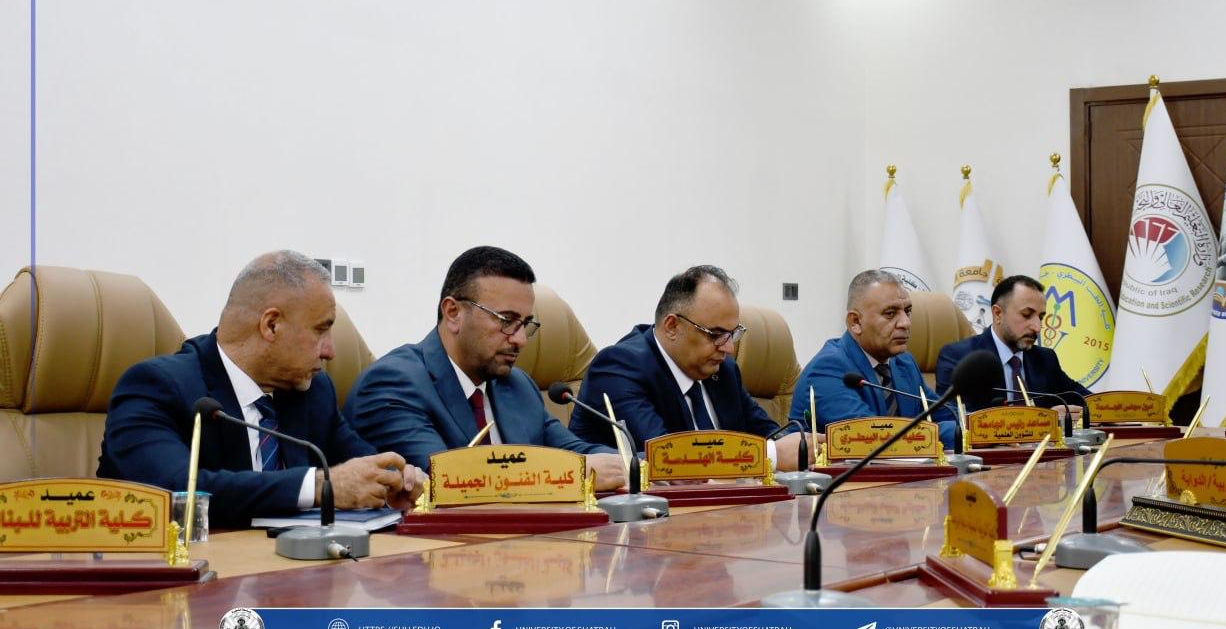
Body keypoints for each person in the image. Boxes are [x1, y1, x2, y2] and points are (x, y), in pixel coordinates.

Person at [98, 251, 424, 528]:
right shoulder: (157, 387)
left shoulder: (311, 391)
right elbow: (176, 491)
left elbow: (361, 465)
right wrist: (319, 487)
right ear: (271, 325)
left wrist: (396, 481)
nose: (330, 352)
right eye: (320, 331)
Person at [344, 246, 624, 490]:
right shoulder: (393, 383)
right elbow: (446, 482)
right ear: (453, 312)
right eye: (506, 320)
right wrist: (571, 473)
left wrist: (633, 463)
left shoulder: (517, 385)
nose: (521, 339)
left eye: (526, 324)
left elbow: (578, 453)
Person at [569, 265, 816, 470]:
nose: (729, 347)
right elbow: (669, 460)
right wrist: (770, 455)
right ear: (672, 326)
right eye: (716, 334)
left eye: (733, 334)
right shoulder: (619, 368)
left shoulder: (724, 371)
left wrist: (803, 445)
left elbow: (769, 433)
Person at [789, 270, 958, 450]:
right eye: (890, 313)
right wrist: (961, 433)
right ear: (855, 322)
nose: (906, 323)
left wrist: (974, 426)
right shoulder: (827, 369)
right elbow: (876, 438)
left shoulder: (903, 363)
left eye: (908, 311)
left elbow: (945, 414)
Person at [935, 274, 1090, 411]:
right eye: (1027, 315)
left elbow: (1084, 399)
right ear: (997, 314)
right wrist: (1047, 418)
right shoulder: (960, 358)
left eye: (1041, 317)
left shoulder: (1045, 358)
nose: (1037, 327)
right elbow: (953, 417)